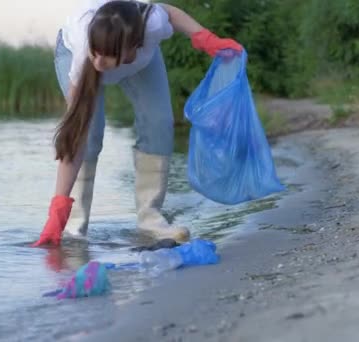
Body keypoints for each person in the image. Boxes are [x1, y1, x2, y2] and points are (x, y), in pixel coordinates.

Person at [32, 0, 242, 247]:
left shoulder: (151, 24)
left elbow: (172, 14)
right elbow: (74, 134)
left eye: (106, 57)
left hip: (140, 59)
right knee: (87, 136)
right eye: (96, 54)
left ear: (133, 46)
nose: (99, 63)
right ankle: (73, 227)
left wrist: (208, 40)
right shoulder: (85, 52)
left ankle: (150, 219)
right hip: (75, 49)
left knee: (160, 123)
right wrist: (57, 209)